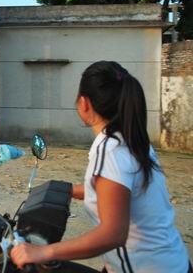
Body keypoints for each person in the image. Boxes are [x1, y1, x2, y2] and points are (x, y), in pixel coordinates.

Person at [11, 61, 191, 273]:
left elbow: (113, 234)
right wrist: (68, 190)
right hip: (173, 263)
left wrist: (44, 252)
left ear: (84, 103)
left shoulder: (111, 150)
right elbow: (119, 193)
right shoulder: (131, 140)